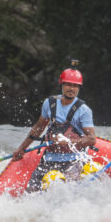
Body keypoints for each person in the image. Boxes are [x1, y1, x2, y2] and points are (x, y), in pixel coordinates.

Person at [13, 61, 96, 192]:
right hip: (50, 158)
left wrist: (69, 141)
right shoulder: (49, 103)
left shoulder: (84, 110)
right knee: (31, 190)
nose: (72, 88)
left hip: (73, 161)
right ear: (62, 85)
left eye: (75, 86)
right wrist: (22, 148)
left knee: (65, 191)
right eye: (68, 84)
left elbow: (91, 139)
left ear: (79, 88)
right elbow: (38, 128)